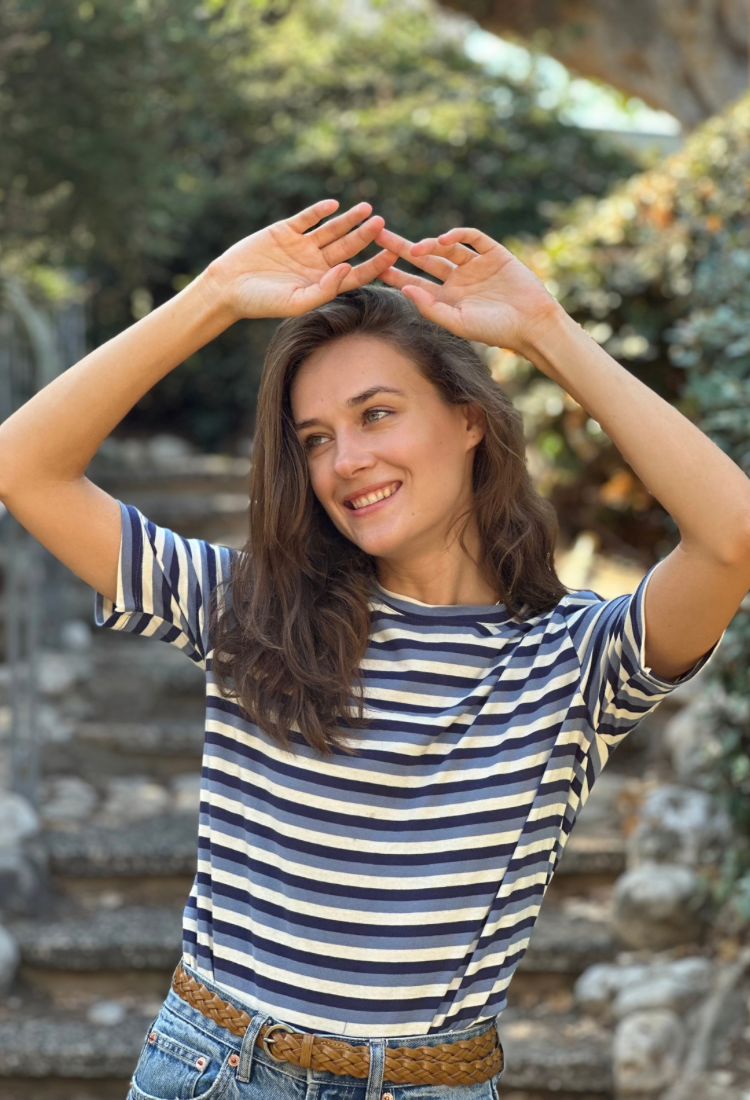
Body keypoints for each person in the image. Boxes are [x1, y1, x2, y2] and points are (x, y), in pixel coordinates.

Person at [1, 197, 748, 1100]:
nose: (344, 460)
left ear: (470, 419)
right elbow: (24, 465)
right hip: (216, 1070)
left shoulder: (576, 658)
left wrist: (547, 331)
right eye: (316, 439)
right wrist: (216, 296)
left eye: (377, 414)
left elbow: (731, 538)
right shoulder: (248, 609)